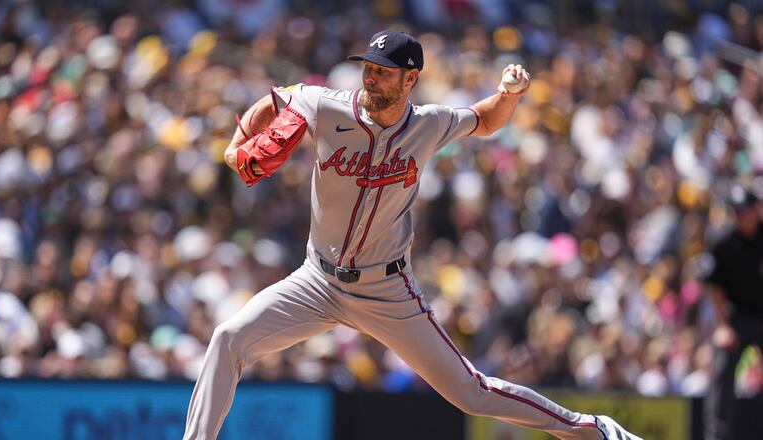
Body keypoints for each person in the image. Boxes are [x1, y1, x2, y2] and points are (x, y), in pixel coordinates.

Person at [183, 30, 640, 440]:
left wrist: (508, 93)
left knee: (471, 393)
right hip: (316, 281)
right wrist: (236, 141)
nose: (371, 79)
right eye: (368, 69)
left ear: (410, 79)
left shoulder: (428, 124)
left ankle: (591, 430)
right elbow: (277, 99)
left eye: (383, 72)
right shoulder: (326, 105)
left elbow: (485, 119)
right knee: (228, 338)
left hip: (387, 290)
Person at [703, 186, 763, 440]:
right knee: (723, 368)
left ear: (756, 210)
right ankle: (717, 436)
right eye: (737, 212)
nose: (742, 216)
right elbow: (715, 287)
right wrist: (722, 326)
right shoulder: (724, 242)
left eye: (746, 210)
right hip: (737, 316)